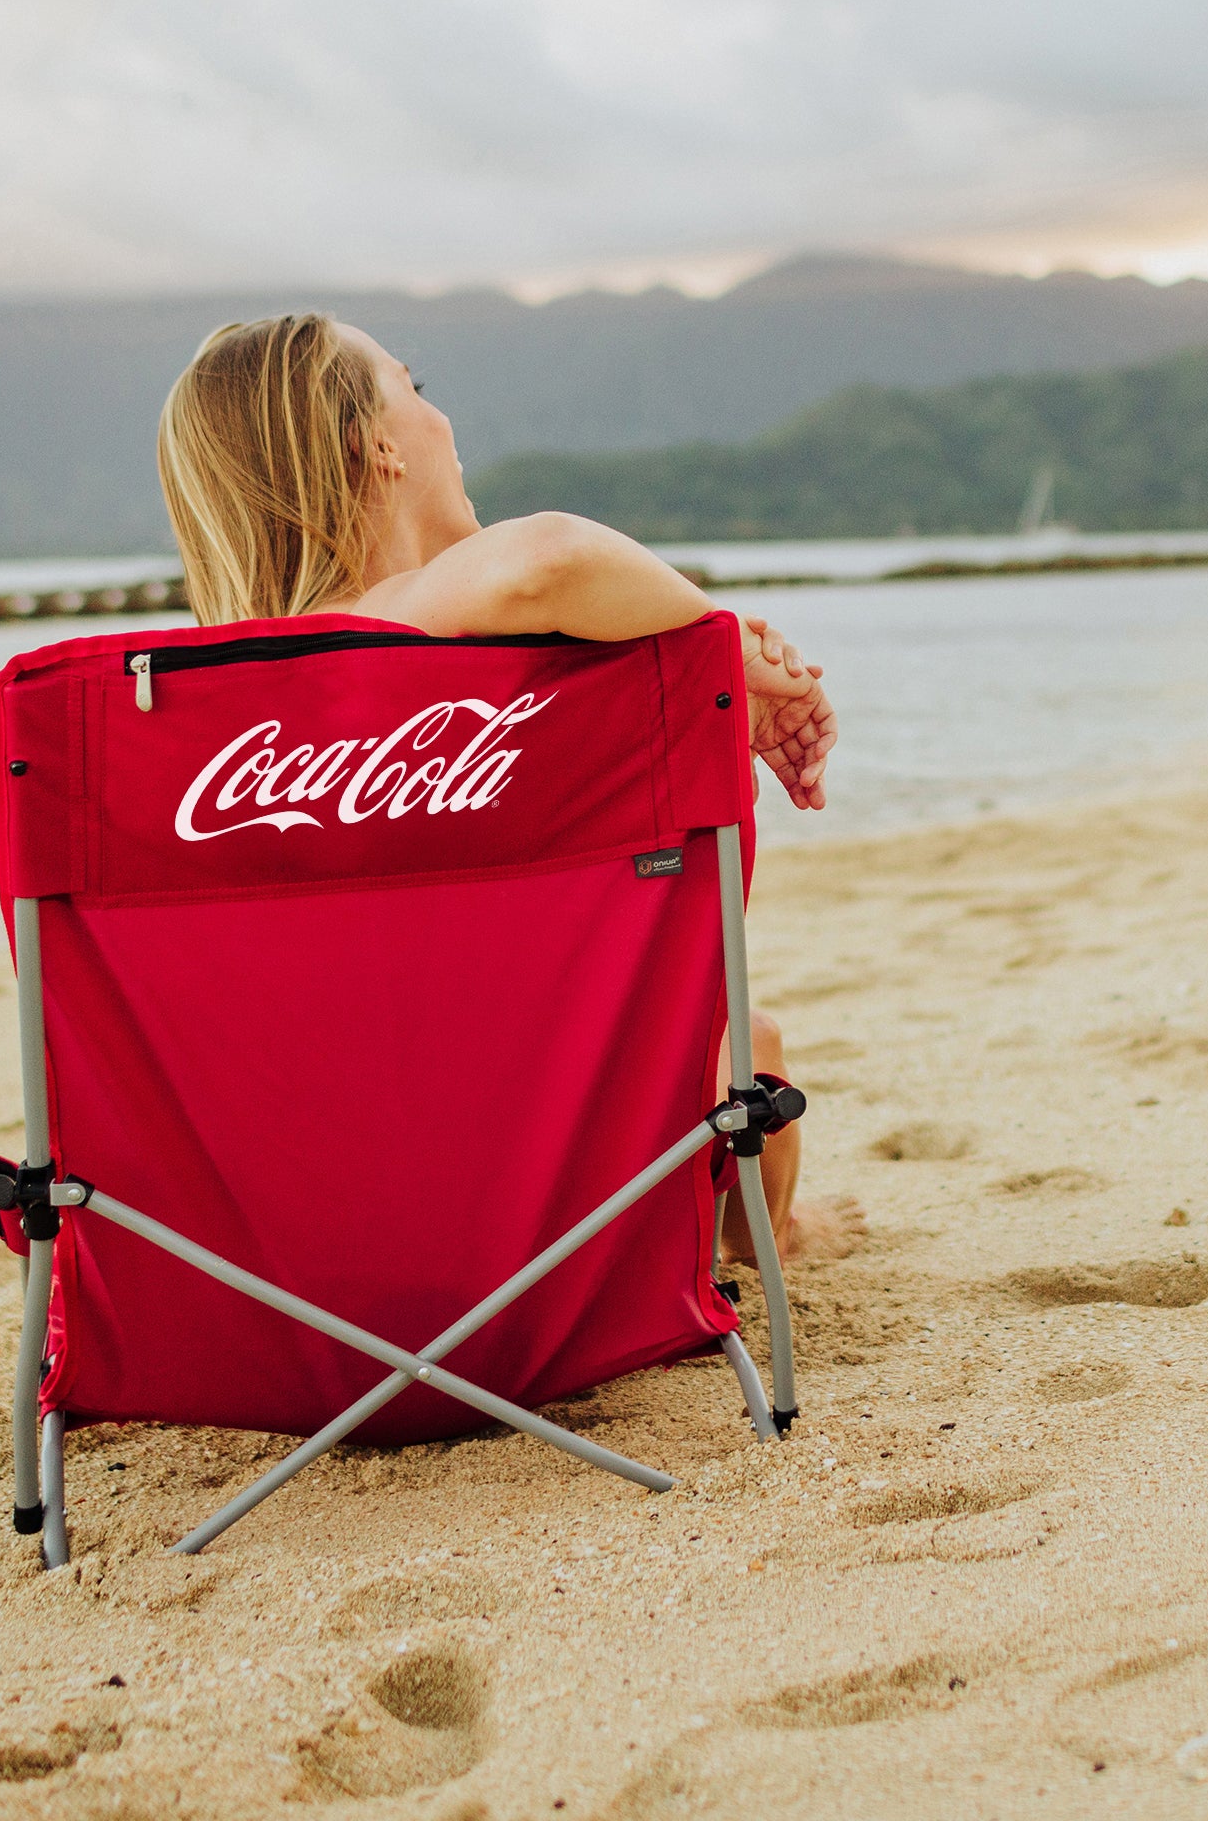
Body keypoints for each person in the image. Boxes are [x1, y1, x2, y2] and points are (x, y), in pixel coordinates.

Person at [155, 310, 860, 1259]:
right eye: (418, 385)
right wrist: (717, 642)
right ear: (377, 448)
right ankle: (777, 1233)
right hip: (541, 1182)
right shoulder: (428, 638)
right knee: (748, 1041)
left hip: (281, 1204)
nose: (444, 419)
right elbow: (553, 559)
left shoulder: (193, 713)